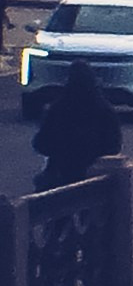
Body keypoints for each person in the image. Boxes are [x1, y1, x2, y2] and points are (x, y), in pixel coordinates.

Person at [33, 62, 122, 192]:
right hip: (95, 175)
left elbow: (41, 143)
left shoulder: (58, 108)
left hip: (60, 172)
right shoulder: (105, 110)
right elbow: (114, 145)